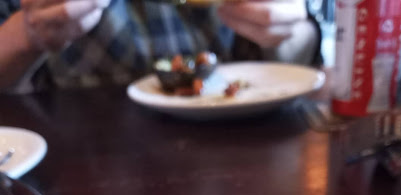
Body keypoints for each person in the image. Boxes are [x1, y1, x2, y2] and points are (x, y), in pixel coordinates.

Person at [0, 0, 321, 93]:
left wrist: (289, 30)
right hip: (76, 161)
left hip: (247, 142)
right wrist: (27, 34)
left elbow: (306, 59)